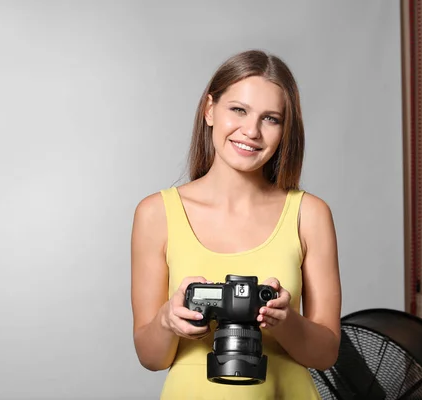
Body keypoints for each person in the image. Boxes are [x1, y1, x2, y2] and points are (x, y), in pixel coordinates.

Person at [130, 49, 342, 399]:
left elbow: (325, 354)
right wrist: (169, 319)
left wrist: (284, 320)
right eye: (238, 110)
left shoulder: (310, 214)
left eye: (271, 118)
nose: (251, 131)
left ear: (285, 129)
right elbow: (151, 357)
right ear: (210, 110)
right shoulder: (156, 213)